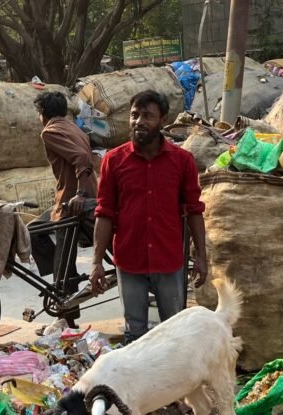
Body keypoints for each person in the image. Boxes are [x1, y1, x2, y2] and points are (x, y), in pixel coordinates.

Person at [90, 90, 207, 344]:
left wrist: (201, 256)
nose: (139, 122)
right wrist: (96, 262)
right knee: (135, 332)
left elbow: (194, 211)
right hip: (130, 259)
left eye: (147, 116)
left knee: (174, 331)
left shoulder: (182, 161)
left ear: (162, 120)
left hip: (169, 258)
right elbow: (105, 212)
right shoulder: (113, 161)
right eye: (134, 115)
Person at [31, 91, 98, 329]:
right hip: (78, 197)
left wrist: (80, 193)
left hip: (73, 202)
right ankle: (60, 286)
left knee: (63, 260)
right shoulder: (73, 127)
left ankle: (65, 312)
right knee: (36, 229)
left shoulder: (49, 131)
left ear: (43, 113)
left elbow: (81, 157)